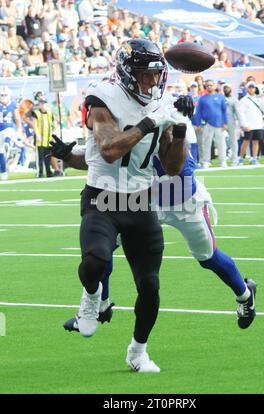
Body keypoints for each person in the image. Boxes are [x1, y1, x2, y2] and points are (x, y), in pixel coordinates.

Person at [49, 125, 257, 338]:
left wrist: (174, 124)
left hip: (183, 202)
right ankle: (101, 305)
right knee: (105, 247)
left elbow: (173, 164)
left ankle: (245, 295)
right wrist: (69, 156)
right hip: (145, 203)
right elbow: (101, 158)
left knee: (208, 257)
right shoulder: (132, 120)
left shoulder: (163, 121)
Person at [60, 38, 186, 373]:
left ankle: (138, 352)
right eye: (146, 75)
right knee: (94, 261)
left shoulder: (162, 101)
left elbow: (172, 167)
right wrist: (150, 122)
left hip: (141, 200)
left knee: (150, 285)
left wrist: (181, 129)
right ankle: (91, 296)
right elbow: (109, 150)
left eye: (157, 75)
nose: (153, 82)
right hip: (102, 197)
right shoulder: (103, 97)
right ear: (129, 73)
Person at [192, 80, 228, 168]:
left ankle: (222, 161)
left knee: (221, 144)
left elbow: (224, 111)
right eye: (207, 85)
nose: (209, 87)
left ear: (214, 86)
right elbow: (198, 112)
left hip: (219, 124)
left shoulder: (221, 97)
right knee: (206, 144)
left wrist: (225, 122)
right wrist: (198, 124)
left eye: (211, 85)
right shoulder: (202, 98)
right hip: (207, 124)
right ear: (205, 87)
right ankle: (206, 161)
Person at [237, 81, 264, 165]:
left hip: (258, 124)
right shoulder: (243, 100)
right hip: (248, 125)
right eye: (250, 87)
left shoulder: (258, 98)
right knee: (246, 141)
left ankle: (254, 158)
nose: (251, 89)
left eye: (253, 88)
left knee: (256, 141)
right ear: (247, 89)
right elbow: (241, 113)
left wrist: (263, 97)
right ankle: (240, 158)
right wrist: (243, 124)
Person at [0, 85, 23, 180]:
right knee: (0, 152)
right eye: (2, 95)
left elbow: (17, 118)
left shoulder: (13, 105)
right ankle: (4, 172)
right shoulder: (13, 104)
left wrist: (19, 130)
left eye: (5, 95)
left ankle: (8, 143)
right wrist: (19, 129)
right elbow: (17, 119)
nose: (3, 97)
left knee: (8, 133)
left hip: (8, 128)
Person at [30, 96, 56, 178]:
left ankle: (49, 171)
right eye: (41, 103)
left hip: (48, 138)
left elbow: (53, 124)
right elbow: (34, 125)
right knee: (40, 158)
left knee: (48, 157)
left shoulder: (50, 113)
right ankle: (40, 172)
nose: (43, 105)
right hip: (40, 139)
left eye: (44, 103)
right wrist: (37, 135)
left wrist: (54, 133)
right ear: (39, 104)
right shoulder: (36, 113)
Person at [223, 85, 240, 166]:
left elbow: (237, 111)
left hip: (231, 121)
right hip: (221, 122)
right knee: (221, 141)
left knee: (233, 140)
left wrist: (239, 122)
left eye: (228, 88)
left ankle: (235, 159)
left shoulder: (234, 99)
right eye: (225, 88)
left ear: (231, 89)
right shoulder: (221, 98)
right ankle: (223, 159)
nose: (227, 89)